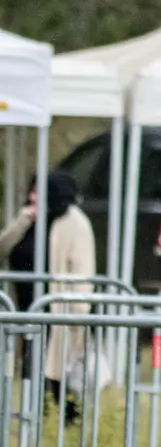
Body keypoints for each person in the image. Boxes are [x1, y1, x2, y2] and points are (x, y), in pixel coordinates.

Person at [0, 170, 99, 422]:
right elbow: (3, 247)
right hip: (27, 305)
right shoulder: (28, 219)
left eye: (38, 192)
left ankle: (67, 420)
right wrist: (21, 221)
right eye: (31, 191)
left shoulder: (74, 223)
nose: (32, 197)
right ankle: (35, 416)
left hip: (59, 307)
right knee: (33, 365)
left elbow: (82, 269)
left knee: (58, 367)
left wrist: (79, 309)